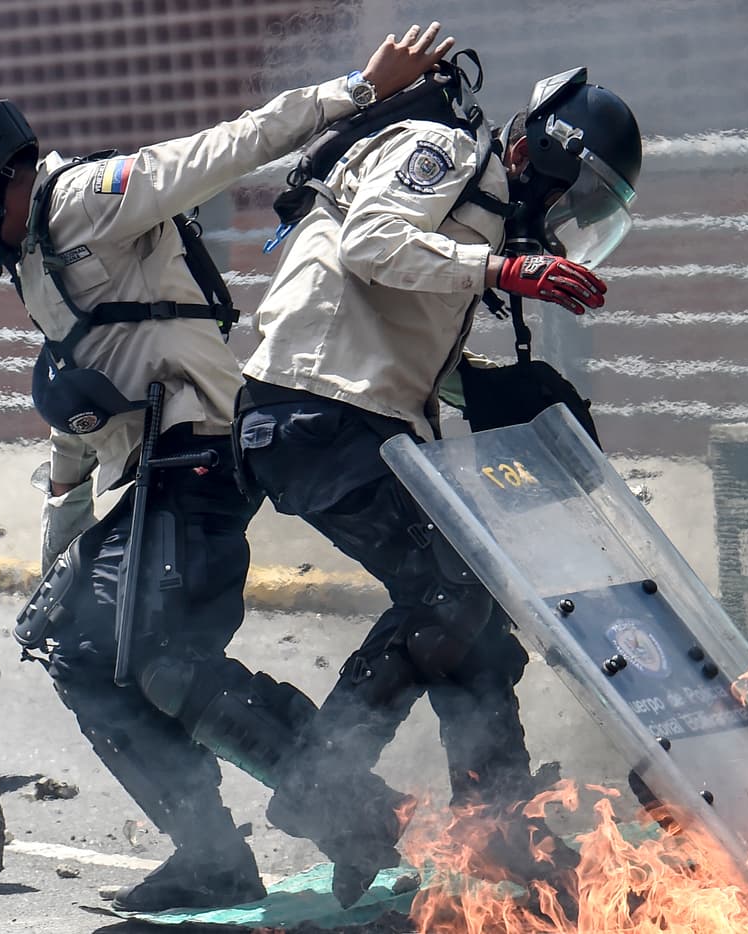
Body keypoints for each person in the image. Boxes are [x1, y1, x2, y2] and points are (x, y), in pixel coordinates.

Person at [0, 24, 453, 912]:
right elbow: (77, 427)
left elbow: (230, 147)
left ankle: (352, 808)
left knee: (157, 657)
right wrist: (57, 555)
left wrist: (359, 88)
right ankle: (216, 857)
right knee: (77, 652)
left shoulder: (86, 201)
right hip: (152, 476)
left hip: (203, 453)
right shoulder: (35, 265)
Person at [232, 66, 642, 905]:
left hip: (363, 419)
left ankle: (502, 829)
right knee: (453, 593)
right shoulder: (441, 149)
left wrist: (511, 392)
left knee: (481, 621)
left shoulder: (476, 223)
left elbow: (411, 343)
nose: (562, 226)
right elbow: (370, 242)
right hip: (312, 412)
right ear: (541, 157)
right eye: (571, 201)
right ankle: (320, 783)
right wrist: (503, 271)